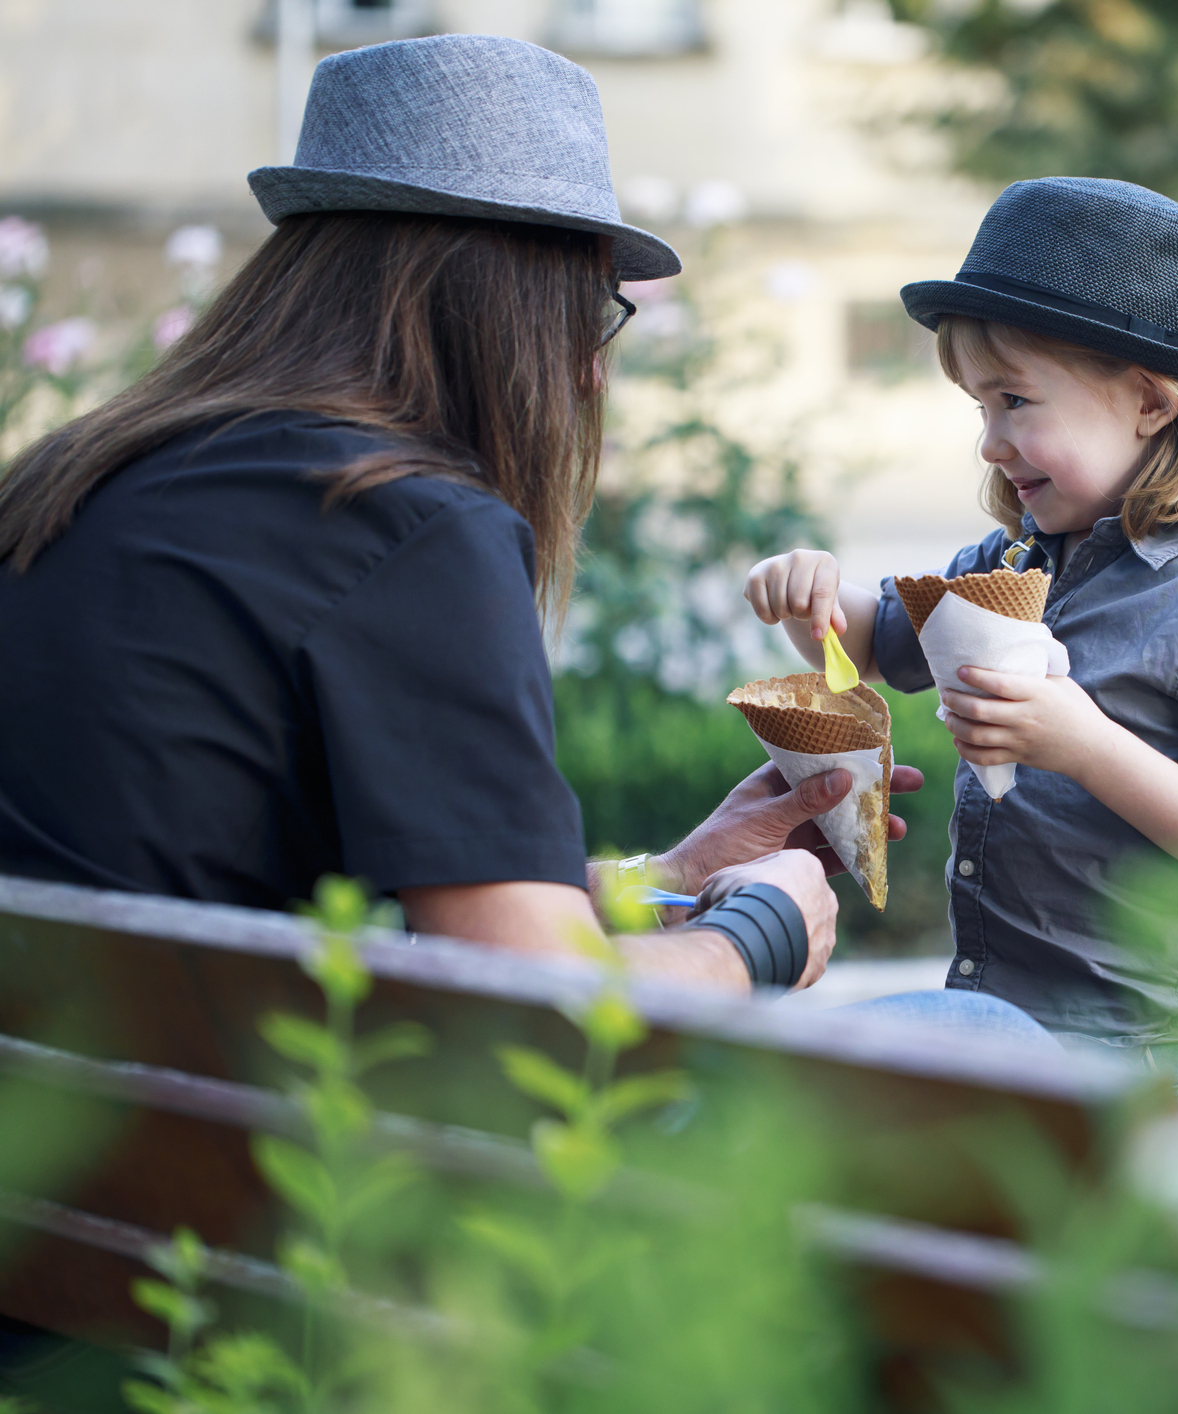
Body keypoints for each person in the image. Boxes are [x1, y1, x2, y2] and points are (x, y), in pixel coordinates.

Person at [0, 35, 902, 994]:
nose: (595, 367)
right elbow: (531, 998)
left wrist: (673, 878)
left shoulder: (78, 473)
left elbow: (342, 898)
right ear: (513, 306)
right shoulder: (407, 525)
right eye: (594, 310)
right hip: (222, 1116)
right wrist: (760, 933)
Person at [744, 177, 1178, 1157]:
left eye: (1015, 400)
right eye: (980, 404)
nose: (990, 438)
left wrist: (1087, 747)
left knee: (1109, 1313)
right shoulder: (1010, 563)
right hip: (1006, 1029)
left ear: (1149, 402)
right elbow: (875, 642)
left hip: (1148, 1064)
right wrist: (809, 597)